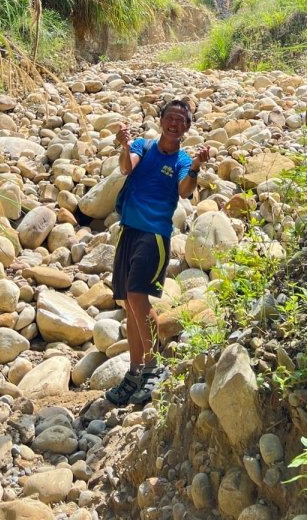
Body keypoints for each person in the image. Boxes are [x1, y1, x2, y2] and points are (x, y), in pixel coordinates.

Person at [105, 99, 210, 406]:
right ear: (161, 119)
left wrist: (195, 168)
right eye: (171, 117)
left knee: (138, 297)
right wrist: (124, 144)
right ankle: (135, 371)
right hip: (130, 232)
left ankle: (153, 366)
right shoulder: (144, 146)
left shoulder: (181, 161)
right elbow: (126, 168)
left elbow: (184, 190)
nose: (174, 123)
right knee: (128, 303)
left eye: (181, 120)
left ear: (187, 128)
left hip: (155, 237)